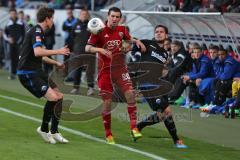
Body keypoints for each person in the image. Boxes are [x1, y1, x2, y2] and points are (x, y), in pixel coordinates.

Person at [85, 7, 146, 144]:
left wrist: (133, 43)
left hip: (120, 69)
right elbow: (87, 48)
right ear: (108, 16)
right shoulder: (99, 30)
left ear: (120, 18)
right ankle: (108, 133)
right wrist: (100, 49)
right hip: (104, 71)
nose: (114, 19)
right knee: (107, 103)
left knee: (130, 93)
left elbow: (129, 41)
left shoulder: (122, 30)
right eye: (112, 16)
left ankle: (134, 128)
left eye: (117, 17)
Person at [17, 7, 70, 144]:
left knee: (60, 96)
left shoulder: (38, 31)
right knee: (53, 97)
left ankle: (54, 131)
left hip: (37, 71)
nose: (53, 21)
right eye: (52, 18)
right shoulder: (37, 30)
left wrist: (55, 63)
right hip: (27, 72)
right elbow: (38, 52)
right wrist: (59, 51)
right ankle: (44, 129)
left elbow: (41, 54)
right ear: (47, 19)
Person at [131, 24, 187, 148]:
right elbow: (133, 43)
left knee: (162, 115)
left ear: (166, 35)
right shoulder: (148, 43)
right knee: (167, 111)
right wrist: (136, 57)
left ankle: (138, 127)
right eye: (156, 31)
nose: (158, 33)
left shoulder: (165, 54)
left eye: (161, 32)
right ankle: (176, 140)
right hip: (147, 83)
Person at [70, 8, 95, 96]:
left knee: (89, 71)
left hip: (89, 52)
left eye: (85, 14)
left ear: (88, 15)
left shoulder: (92, 25)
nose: (84, 15)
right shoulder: (75, 25)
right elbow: (72, 37)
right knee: (77, 70)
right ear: (80, 15)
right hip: (78, 52)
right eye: (82, 14)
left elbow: (97, 38)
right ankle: (75, 88)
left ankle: (90, 88)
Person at [4, 8, 25, 80]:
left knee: (20, 58)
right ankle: (13, 74)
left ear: (16, 14)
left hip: (19, 44)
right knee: (12, 59)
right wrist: (8, 39)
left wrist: (20, 42)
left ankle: (20, 73)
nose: (13, 15)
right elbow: (5, 34)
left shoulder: (21, 22)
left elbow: (23, 34)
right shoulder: (8, 23)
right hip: (11, 44)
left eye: (14, 13)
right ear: (9, 14)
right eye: (11, 13)